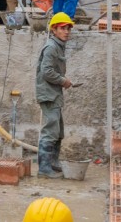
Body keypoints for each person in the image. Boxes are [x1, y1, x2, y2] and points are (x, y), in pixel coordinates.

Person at [35, 12, 76, 179]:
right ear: (54, 30)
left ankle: (53, 162)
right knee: (50, 131)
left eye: (68, 28)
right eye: (62, 28)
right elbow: (47, 72)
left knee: (58, 131)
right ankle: (44, 168)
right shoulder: (52, 47)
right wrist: (63, 81)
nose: (66, 31)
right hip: (49, 94)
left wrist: (62, 82)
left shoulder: (58, 46)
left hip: (54, 94)